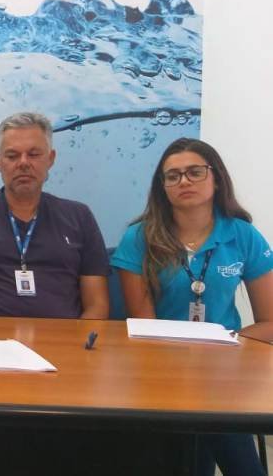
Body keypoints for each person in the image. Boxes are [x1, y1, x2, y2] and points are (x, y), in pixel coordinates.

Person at [112, 137, 271, 476]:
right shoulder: (138, 238)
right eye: (173, 176)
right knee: (194, 448)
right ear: (162, 187)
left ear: (217, 178)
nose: (184, 181)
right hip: (161, 370)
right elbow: (145, 325)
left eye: (195, 172)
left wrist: (227, 344)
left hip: (225, 370)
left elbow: (270, 322)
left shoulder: (243, 235)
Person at [0, 111, 110, 319]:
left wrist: (78, 338)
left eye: (34, 154)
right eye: (12, 156)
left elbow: (97, 304)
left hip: (64, 337)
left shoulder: (79, 216)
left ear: (51, 159)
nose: (23, 163)